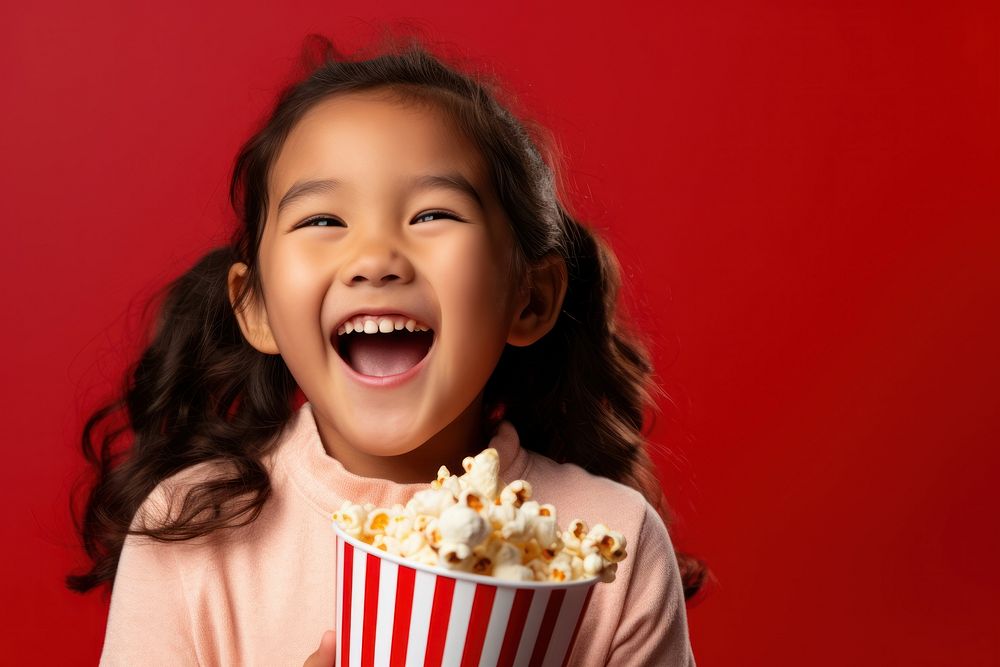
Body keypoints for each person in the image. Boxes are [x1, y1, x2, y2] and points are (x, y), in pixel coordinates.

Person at [66, 32, 706, 666]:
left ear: (529, 297)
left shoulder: (609, 543)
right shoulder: (192, 529)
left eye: (433, 215)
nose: (374, 259)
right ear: (255, 306)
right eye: (323, 221)